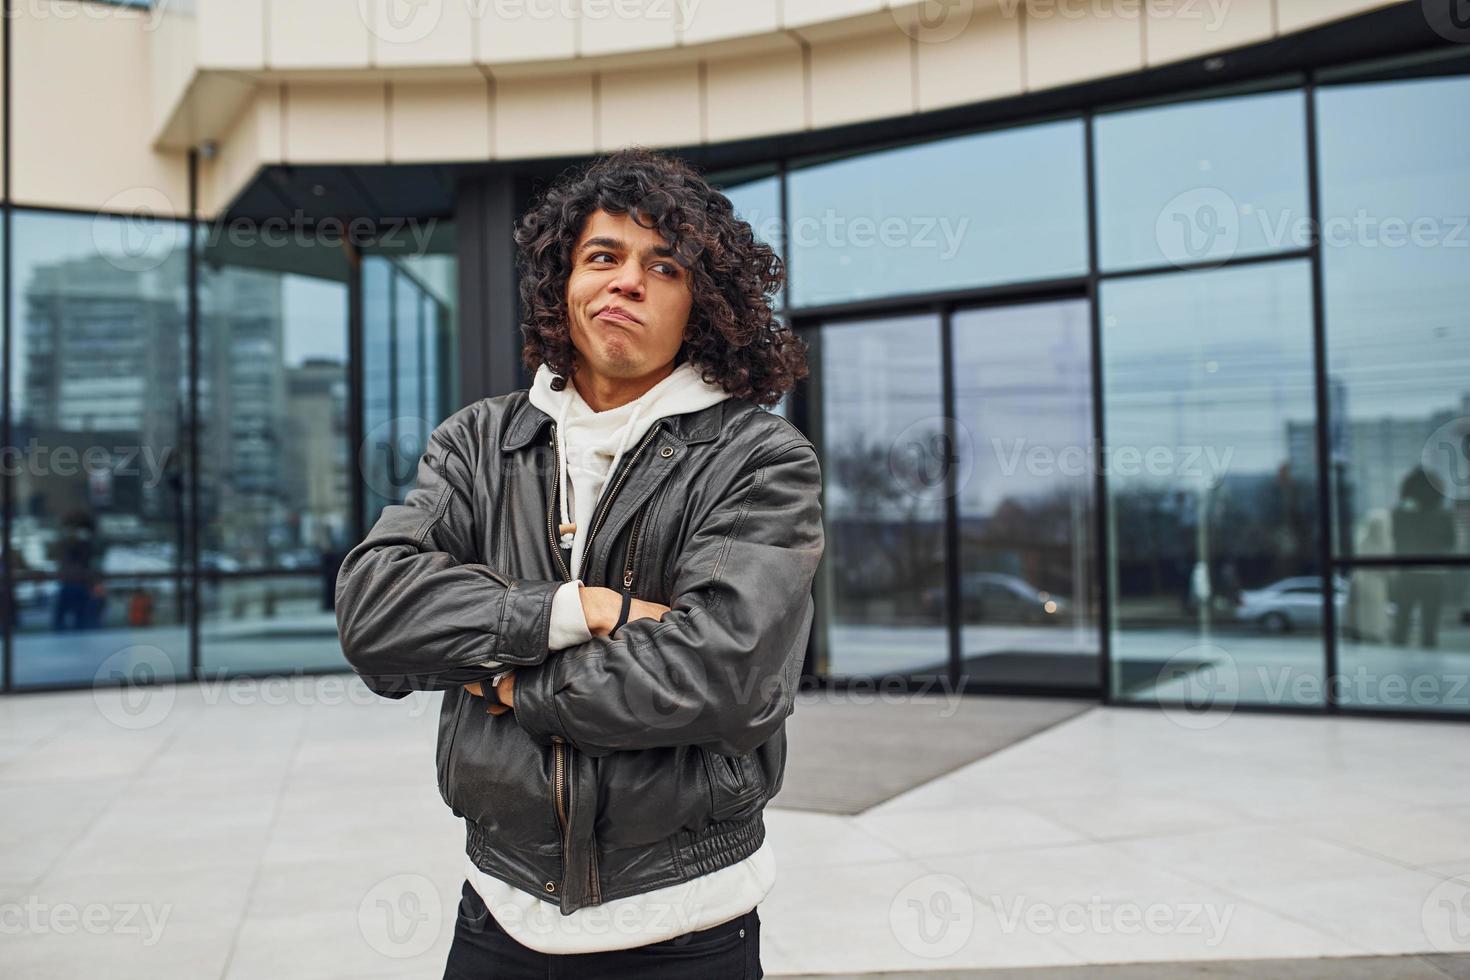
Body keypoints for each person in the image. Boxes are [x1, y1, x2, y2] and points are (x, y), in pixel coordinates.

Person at [334, 147, 824, 978]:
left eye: (662, 266)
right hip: (498, 909)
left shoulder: (757, 457)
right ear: (564, 284)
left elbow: (726, 676)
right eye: (603, 256)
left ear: (701, 306)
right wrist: (575, 611)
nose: (626, 281)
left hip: (684, 920)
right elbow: (375, 610)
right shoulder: (480, 441)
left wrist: (514, 682)